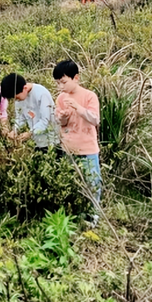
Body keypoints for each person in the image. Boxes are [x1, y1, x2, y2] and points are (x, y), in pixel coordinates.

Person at [53, 60, 102, 225]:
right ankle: (73, 213)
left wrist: (78, 108)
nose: (61, 87)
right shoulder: (60, 98)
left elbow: (95, 119)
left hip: (87, 148)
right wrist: (63, 118)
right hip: (68, 148)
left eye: (64, 82)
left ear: (76, 78)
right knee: (69, 182)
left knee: (92, 182)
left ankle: (92, 215)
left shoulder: (89, 96)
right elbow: (61, 123)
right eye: (58, 83)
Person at [0, 73, 60, 151]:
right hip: (37, 141)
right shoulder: (19, 96)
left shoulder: (41, 94)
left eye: (17, 98)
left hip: (51, 141)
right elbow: (20, 118)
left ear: (25, 88)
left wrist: (29, 133)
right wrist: (15, 130)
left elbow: (45, 120)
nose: (17, 101)